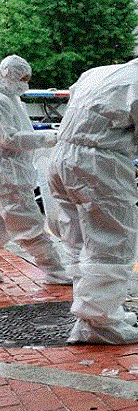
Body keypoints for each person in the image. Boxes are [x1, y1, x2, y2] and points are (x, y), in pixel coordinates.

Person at [48, 41, 138, 344]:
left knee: (78, 240)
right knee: (110, 242)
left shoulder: (100, 72)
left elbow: (80, 101)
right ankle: (100, 323)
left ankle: (95, 312)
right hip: (98, 166)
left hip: (61, 158)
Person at [0, 55, 71, 285]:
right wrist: (46, 138)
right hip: (9, 177)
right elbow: (8, 138)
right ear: (8, 75)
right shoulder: (1, 101)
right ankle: (54, 271)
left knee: (3, 227)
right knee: (29, 224)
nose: (25, 83)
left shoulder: (14, 101)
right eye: (22, 77)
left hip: (14, 173)